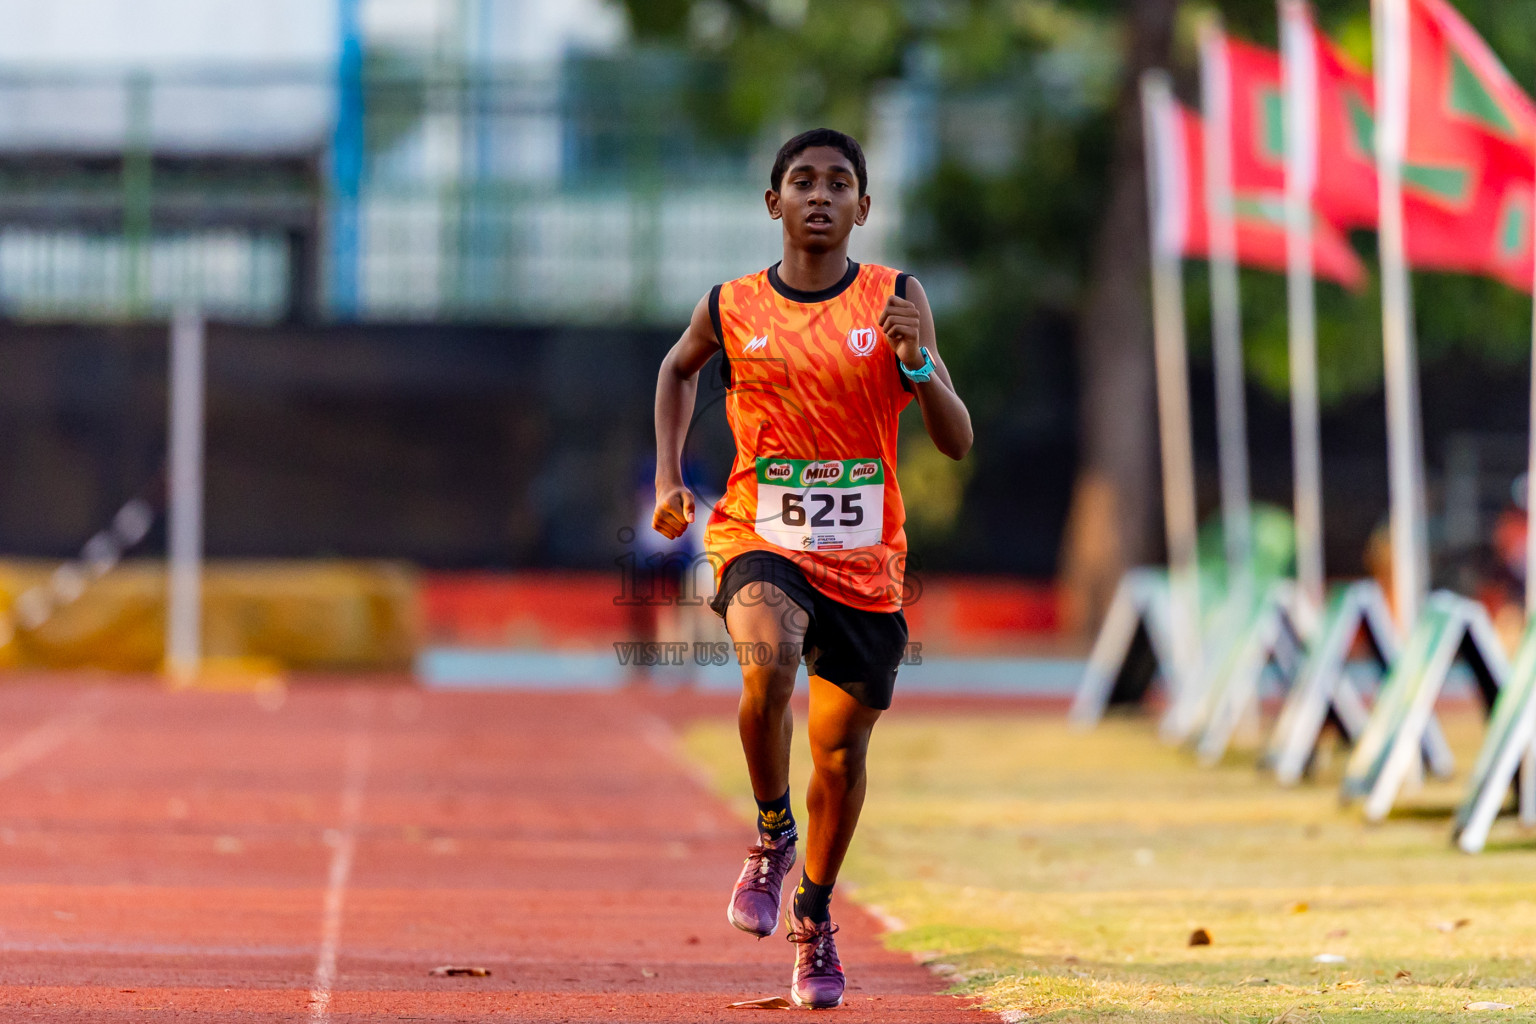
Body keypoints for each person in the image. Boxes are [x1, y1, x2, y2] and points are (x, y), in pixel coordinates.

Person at [651, 128, 972, 1008]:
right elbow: (678, 371)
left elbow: (956, 439)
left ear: (863, 208)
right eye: (802, 181)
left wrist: (917, 363)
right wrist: (671, 476)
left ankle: (815, 916)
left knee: (838, 754)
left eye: (839, 183)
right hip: (759, 534)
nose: (820, 194)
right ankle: (769, 831)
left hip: (867, 564)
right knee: (768, 657)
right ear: (774, 204)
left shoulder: (898, 297)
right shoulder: (731, 305)